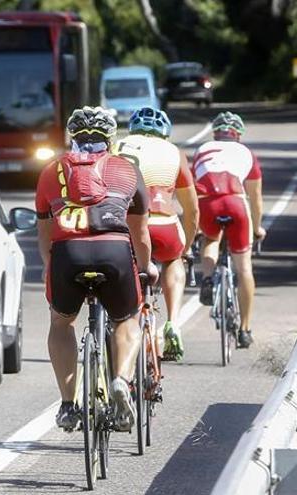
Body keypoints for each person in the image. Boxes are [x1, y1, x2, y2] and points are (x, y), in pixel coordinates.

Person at [35, 106, 158, 432]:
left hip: (68, 254)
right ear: (111, 138)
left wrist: (51, 268)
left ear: (71, 137)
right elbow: (140, 233)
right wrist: (147, 268)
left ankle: (67, 405)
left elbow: (45, 236)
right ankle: (121, 380)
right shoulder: (127, 168)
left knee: (61, 323)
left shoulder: (51, 170)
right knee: (127, 319)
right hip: (114, 252)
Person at [114, 107, 199, 361]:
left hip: (126, 225)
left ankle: (120, 323)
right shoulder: (175, 153)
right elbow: (192, 209)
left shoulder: (117, 146)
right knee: (174, 259)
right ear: (165, 133)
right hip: (163, 224)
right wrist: (187, 247)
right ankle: (173, 321)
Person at [192, 112, 264, 348]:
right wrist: (258, 227)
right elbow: (255, 198)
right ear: (238, 135)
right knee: (244, 268)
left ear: (215, 134)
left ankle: (208, 277)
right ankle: (245, 329)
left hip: (208, 202)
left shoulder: (202, 149)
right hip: (235, 201)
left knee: (210, 238)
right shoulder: (246, 153)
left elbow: (193, 188)